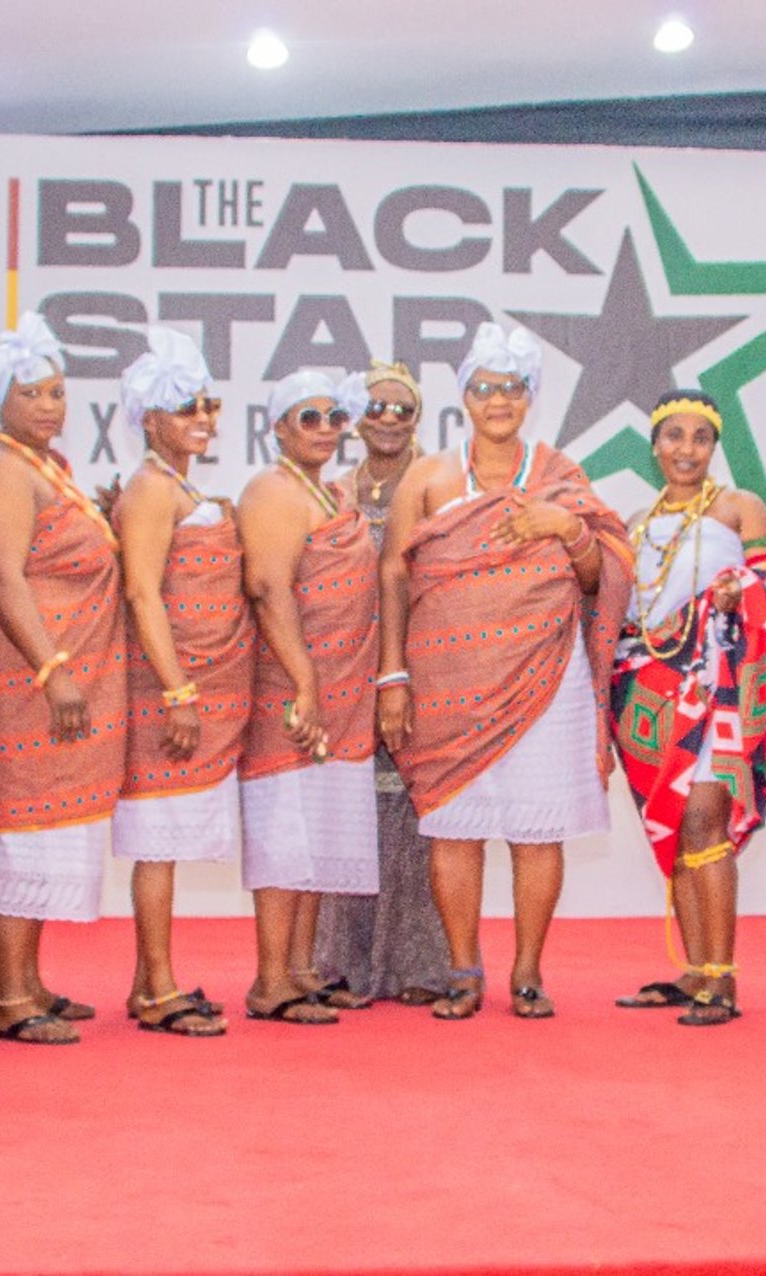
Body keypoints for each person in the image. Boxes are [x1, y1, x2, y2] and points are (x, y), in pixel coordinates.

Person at [379, 323, 633, 1020]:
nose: (499, 401)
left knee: (537, 829)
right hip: (446, 683)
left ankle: (527, 973)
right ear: (464, 396)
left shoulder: (559, 475)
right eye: (485, 388)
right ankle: (464, 972)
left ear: (530, 397)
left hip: (544, 679)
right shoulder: (429, 476)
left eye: (513, 388)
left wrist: (565, 528)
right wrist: (391, 676)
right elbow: (393, 577)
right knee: (454, 826)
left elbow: (598, 576)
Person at [608, 389, 766, 1026]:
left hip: (715, 687)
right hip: (646, 694)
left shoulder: (740, 507)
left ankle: (722, 981)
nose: (687, 450)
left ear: (715, 446)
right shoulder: (637, 519)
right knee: (673, 826)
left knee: (703, 822)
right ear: (654, 445)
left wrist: (737, 591)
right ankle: (695, 971)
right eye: (675, 436)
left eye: (701, 438)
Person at [0, 312, 128, 1045]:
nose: (50, 406)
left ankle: (30, 982)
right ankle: (8, 996)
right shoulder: (0, 471)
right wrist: (52, 670)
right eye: (32, 394)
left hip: (61, 671)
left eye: (57, 392)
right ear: (1, 403)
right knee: (19, 826)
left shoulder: (45, 467)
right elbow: (1, 577)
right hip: (24, 679)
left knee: (47, 825)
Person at [109, 328, 247, 1037]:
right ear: (150, 419)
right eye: (186, 406)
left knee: (165, 836)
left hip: (194, 683)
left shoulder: (178, 484)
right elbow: (141, 593)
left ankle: (147, 983)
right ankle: (160, 987)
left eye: (209, 404)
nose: (203, 417)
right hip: (166, 689)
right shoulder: (149, 489)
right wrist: (178, 691)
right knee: (156, 839)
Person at [236, 370, 379, 1025]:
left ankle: (299, 970)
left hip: (339, 691)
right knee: (284, 830)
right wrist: (303, 681)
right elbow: (268, 589)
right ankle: (271, 981)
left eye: (334, 417)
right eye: (309, 417)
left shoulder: (327, 491)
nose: (325, 429)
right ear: (279, 427)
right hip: (291, 689)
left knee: (316, 830)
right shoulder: (273, 490)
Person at [311, 360, 452, 1006]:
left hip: (420, 664)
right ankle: (344, 963)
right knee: (352, 808)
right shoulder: (333, 492)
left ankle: (421, 967)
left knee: (418, 813)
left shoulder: (437, 487)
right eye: (376, 407)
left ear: (418, 418)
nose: (389, 418)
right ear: (354, 420)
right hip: (346, 669)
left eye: (403, 408)